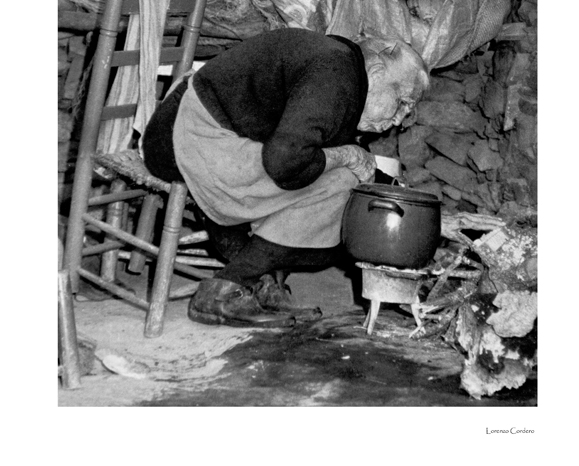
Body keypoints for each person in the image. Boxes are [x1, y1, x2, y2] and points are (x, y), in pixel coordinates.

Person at [142, 28, 429, 329]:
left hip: (215, 134)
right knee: (340, 184)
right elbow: (284, 162)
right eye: (403, 102)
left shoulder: (345, 69)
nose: (399, 120)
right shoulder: (334, 74)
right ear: (378, 70)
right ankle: (225, 289)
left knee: (332, 174)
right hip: (185, 136)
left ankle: (262, 282)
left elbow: (315, 147)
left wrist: (395, 192)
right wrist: (346, 157)